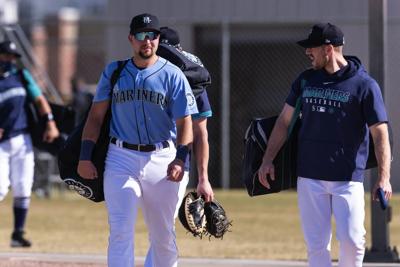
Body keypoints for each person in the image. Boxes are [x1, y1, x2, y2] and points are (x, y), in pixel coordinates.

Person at [257, 23, 392, 267]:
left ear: (328, 49)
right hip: (310, 177)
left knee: (352, 241)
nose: (308, 52)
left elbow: (380, 133)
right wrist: (267, 159)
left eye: (312, 47)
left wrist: (384, 177)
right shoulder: (306, 80)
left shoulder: (364, 85)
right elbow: (283, 122)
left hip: (348, 178)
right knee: (317, 247)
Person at [77, 13, 197, 267]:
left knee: (163, 236)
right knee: (121, 230)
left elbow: (185, 123)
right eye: (142, 35)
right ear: (131, 39)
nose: (148, 41)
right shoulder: (114, 72)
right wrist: (85, 156)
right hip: (121, 157)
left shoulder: (173, 75)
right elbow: (95, 118)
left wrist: (181, 158)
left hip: (162, 158)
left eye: (153, 35)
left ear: (158, 39)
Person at [0, 40, 60, 247]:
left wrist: (50, 122)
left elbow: (39, 100)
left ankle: (18, 233)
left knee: (23, 186)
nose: (9, 60)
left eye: (12, 57)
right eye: (5, 55)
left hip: (22, 139)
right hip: (1, 143)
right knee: (0, 188)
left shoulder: (21, 76)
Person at [158, 26, 214, 202]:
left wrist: (204, 178)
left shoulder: (192, 80)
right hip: (134, 157)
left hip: (177, 160)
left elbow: (200, 133)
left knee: (164, 225)